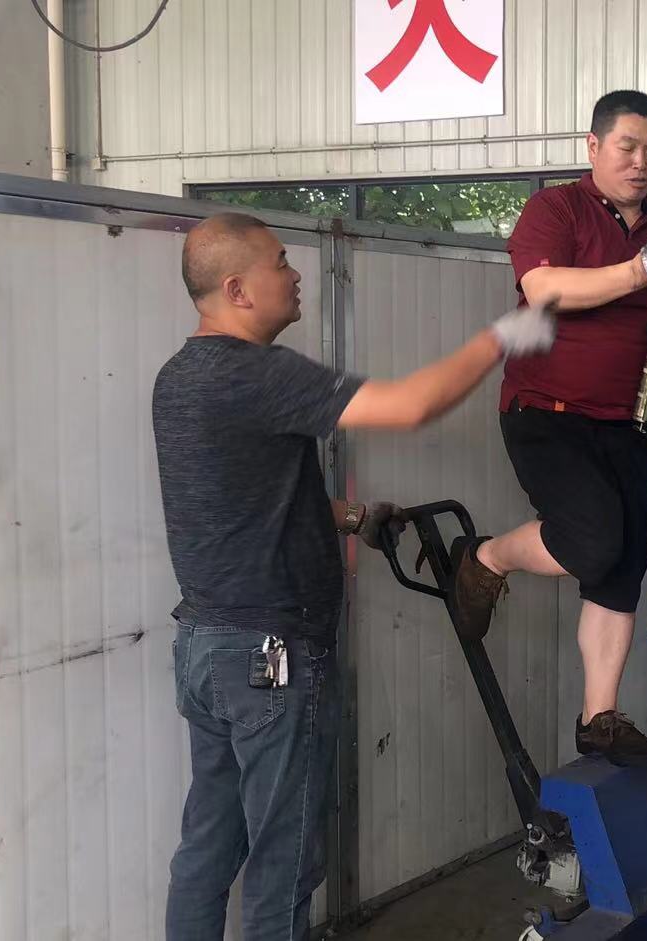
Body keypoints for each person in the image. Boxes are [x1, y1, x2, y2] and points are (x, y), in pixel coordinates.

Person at [153, 211, 556, 940]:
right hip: (271, 657)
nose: (296, 274)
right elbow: (411, 405)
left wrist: (351, 517)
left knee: (208, 846)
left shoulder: (178, 377)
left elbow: (240, 497)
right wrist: (503, 336)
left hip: (208, 650)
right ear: (238, 290)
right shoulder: (258, 372)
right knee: (284, 863)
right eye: (281, 263)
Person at [455, 90, 647, 767]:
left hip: (628, 421)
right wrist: (639, 270)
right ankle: (487, 558)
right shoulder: (556, 209)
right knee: (593, 541)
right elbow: (545, 288)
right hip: (547, 413)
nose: (641, 161)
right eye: (627, 146)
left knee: (621, 569)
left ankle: (599, 719)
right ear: (594, 146)